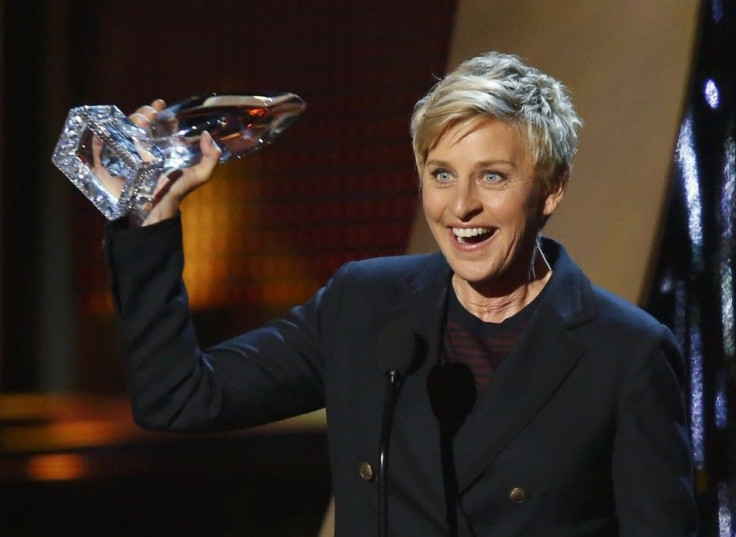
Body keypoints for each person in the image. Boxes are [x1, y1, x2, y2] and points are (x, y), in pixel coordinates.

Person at [104, 52, 697, 536]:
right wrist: (149, 222)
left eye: (492, 176)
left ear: (551, 190)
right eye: (441, 175)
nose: (460, 205)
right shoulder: (366, 305)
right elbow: (178, 398)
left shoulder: (625, 354)